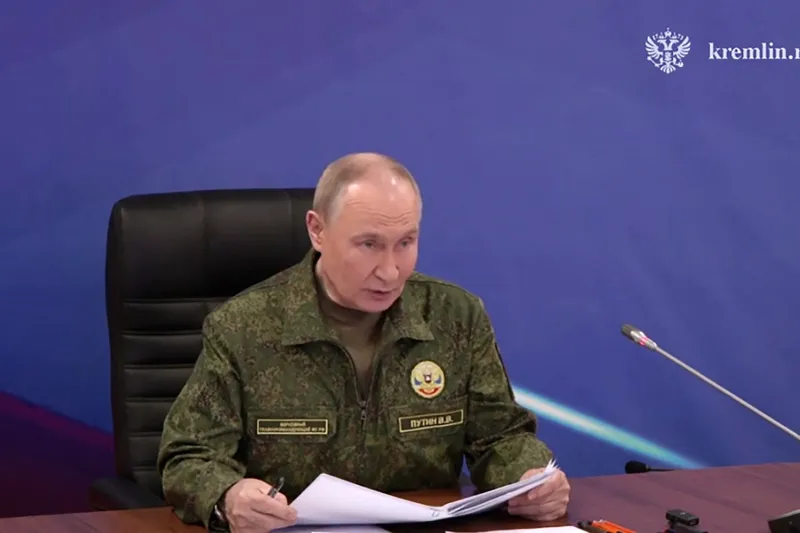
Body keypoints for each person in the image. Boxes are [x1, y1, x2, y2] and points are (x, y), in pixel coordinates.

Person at [157, 153, 570, 533]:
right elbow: (189, 457)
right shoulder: (243, 327)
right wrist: (227, 496)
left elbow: (500, 438)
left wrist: (530, 478)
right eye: (369, 244)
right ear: (317, 231)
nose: (390, 271)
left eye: (406, 242)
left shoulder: (455, 317)